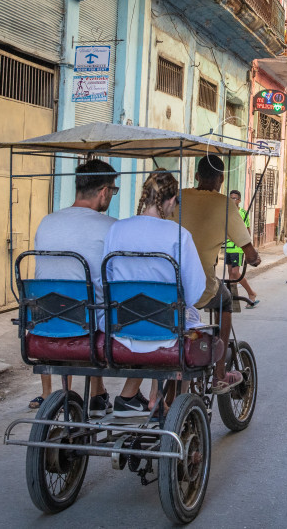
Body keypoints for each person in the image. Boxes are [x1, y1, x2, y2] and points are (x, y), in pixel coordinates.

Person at [100, 170, 207, 417]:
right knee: (184, 317)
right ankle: (171, 401)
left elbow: (107, 277)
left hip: (121, 326)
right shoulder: (179, 234)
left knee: (154, 316)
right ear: (170, 201)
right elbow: (194, 291)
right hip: (165, 329)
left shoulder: (117, 229)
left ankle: (149, 397)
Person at [31, 159, 118, 414]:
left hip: (46, 320)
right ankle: (126, 396)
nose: (111, 196)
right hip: (88, 326)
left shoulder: (47, 222)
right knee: (109, 302)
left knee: (89, 298)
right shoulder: (111, 227)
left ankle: (98, 392)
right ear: (104, 191)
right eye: (113, 191)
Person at [179, 156, 261, 394]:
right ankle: (220, 373)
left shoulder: (180, 196)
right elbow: (250, 251)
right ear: (221, 179)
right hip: (199, 285)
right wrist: (255, 259)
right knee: (225, 298)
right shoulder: (225, 204)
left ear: (196, 177)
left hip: (168, 281)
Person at [226, 189, 259, 307]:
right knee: (230, 275)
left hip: (238, 248)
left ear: (239, 200)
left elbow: (247, 231)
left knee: (235, 272)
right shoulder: (226, 213)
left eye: (235, 198)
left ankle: (251, 293)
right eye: (230, 198)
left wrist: (249, 248)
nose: (232, 200)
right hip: (228, 247)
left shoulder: (243, 213)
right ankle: (232, 300)